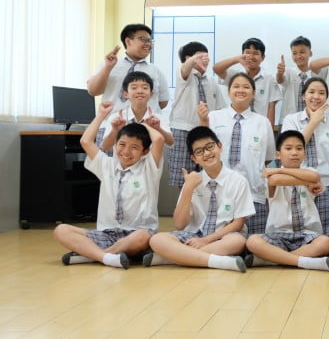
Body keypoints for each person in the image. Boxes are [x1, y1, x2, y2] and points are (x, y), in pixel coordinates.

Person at [55, 101, 163, 269]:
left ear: (145, 152)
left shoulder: (149, 168)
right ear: (115, 144)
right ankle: (107, 257)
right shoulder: (107, 165)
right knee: (61, 230)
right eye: (122, 145)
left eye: (134, 147)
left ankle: (94, 255)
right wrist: (101, 115)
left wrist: (143, 124)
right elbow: (86, 141)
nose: (126, 152)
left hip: (136, 235)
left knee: (143, 237)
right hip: (107, 234)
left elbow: (159, 139)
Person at [145, 127, 253, 272]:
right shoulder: (192, 180)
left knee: (237, 241)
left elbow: (238, 224)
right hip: (195, 234)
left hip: (224, 235)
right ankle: (218, 261)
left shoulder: (239, 181)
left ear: (219, 146)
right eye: (199, 151)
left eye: (210, 147)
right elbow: (179, 224)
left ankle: (171, 258)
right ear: (194, 158)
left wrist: (205, 240)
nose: (207, 153)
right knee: (157, 239)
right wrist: (188, 188)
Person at [245, 130, 329, 272]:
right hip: (278, 234)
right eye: (288, 148)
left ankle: (275, 260)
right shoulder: (273, 176)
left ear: (305, 154)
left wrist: (278, 170)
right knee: (252, 241)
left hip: (307, 234)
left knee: (325, 243)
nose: (294, 152)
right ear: (278, 154)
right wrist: (305, 181)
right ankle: (302, 261)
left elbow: (314, 176)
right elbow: (276, 180)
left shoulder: (308, 171)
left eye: (299, 148)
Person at [199, 72, 275, 236]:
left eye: (246, 87)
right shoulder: (213, 117)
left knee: (254, 242)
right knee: (219, 240)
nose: (241, 90)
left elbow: (268, 158)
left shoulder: (263, 123)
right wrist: (203, 121)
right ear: (228, 92)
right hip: (220, 192)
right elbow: (203, 150)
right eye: (236, 86)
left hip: (253, 194)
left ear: (254, 93)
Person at [282, 77, 329, 238]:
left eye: (321, 93)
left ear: (326, 98)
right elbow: (293, 147)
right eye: (311, 92)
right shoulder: (291, 120)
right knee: (299, 233)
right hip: (298, 183)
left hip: (327, 186)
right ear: (303, 96)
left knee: (326, 235)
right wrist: (314, 122)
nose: (316, 96)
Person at [168, 42, 225, 187]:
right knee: (183, 177)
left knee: (206, 174)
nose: (205, 59)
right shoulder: (184, 74)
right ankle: (184, 200)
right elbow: (186, 68)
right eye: (200, 56)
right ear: (188, 58)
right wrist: (193, 60)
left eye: (207, 56)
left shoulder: (212, 81)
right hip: (183, 130)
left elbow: (221, 108)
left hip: (205, 131)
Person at [86, 23, 169, 113]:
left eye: (150, 40)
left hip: (145, 121)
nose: (148, 44)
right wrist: (107, 68)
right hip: (114, 120)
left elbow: (163, 101)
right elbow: (93, 91)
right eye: (143, 39)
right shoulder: (109, 64)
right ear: (128, 41)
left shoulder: (155, 70)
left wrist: (142, 114)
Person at [98, 71, 174, 152]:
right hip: (124, 159)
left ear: (151, 94)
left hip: (150, 160)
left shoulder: (158, 118)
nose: (140, 91)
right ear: (126, 94)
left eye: (145, 88)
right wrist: (115, 131)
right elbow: (105, 146)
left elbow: (170, 143)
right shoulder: (116, 117)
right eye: (134, 88)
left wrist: (158, 129)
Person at [213, 37, 282, 125]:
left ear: (263, 57)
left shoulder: (269, 79)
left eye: (255, 53)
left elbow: (271, 107)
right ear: (242, 55)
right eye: (247, 52)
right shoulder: (235, 75)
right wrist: (237, 59)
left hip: (259, 124)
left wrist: (269, 129)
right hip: (237, 122)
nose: (251, 56)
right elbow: (217, 69)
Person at [276, 35, 316, 125]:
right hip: (288, 122)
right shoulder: (288, 72)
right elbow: (280, 80)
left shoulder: (315, 76)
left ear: (310, 53)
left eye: (302, 52)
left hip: (310, 121)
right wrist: (279, 73)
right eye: (294, 53)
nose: (298, 56)